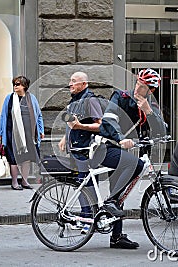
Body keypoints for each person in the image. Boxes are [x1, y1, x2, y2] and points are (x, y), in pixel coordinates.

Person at [99, 68, 167, 249]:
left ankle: (116, 237)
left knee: (120, 192)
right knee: (134, 166)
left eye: (143, 86)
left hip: (126, 153)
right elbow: (109, 120)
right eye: (138, 83)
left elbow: (162, 129)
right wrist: (120, 138)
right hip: (106, 147)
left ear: (151, 90)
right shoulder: (120, 97)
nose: (138, 88)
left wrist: (149, 112)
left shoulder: (151, 105)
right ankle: (109, 202)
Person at [58, 71, 103, 234]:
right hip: (76, 149)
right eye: (70, 80)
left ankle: (89, 219)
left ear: (84, 84)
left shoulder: (90, 100)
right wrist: (65, 138)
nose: (70, 84)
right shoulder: (74, 100)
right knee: (80, 184)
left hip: (87, 150)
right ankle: (86, 217)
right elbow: (71, 122)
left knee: (86, 185)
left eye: (74, 81)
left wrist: (81, 127)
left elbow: (100, 125)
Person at [0, 75, 45, 190]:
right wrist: (0, 132)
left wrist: (41, 130)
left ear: (24, 86)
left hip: (29, 134)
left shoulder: (31, 98)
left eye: (17, 84)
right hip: (12, 133)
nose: (15, 86)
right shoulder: (9, 99)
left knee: (27, 158)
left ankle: (25, 181)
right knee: (13, 158)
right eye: (14, 84)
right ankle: (14, 182)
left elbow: (38, 115)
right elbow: (3, 116)